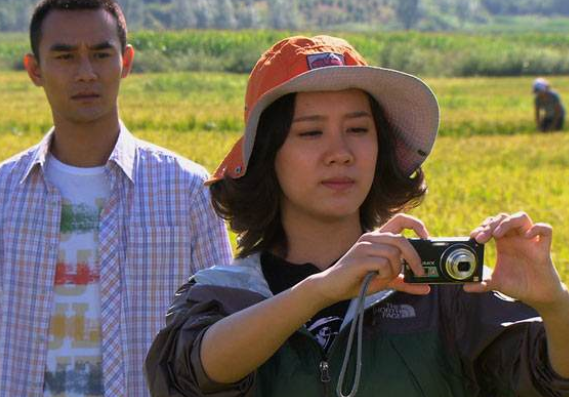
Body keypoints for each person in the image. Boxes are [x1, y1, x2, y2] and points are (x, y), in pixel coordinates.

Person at [145, 35, 569, 397]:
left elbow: (549, 378)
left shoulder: (440, 293)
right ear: (266, 155)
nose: (341, 153)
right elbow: (189, 373)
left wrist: (554, 304)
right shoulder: (224, 294)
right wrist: (321, 290)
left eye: (359, 129)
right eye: (311, 132)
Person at [0, 0, 232, 396]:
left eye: (100, 54)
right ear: (34, 70)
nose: (86, 72)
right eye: (65, 56)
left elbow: (223, 334)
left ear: (125, 61)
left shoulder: (187, 190)